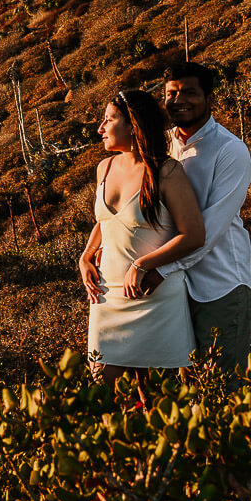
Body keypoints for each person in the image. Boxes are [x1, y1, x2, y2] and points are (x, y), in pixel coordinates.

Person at [77, 89, 205, 386]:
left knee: (163, 404)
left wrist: (143, 265)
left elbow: (194, 234)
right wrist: (86, 255)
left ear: (133, 125)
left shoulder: (166, 171)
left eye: (108, 120)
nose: (100, 128)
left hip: (154, 298)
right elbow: (106, 222)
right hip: (106, 299)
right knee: (104, 396)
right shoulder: (104, 168)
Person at [134, 62, 251, 371]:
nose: (179, 101)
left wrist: (160, 269)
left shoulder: (230, 150)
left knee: (222, 387)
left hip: (220, 286)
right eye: (171, 94)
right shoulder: (162, 147)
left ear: (209, 98)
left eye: (190, 92)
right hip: (172, 288)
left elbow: (212, 228)